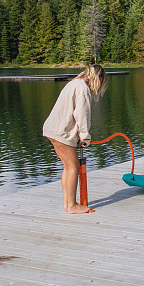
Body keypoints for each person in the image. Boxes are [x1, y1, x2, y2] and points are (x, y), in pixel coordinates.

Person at [43, 64, 107, 213]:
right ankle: (72, 206)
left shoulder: (73, 83)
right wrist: (85, 137)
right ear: (98, 79)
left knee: (68, 167)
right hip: (61, 132)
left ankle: (68, 204)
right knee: (73, 167)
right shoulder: (83, 89)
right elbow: (81, 115)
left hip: (52, 129)